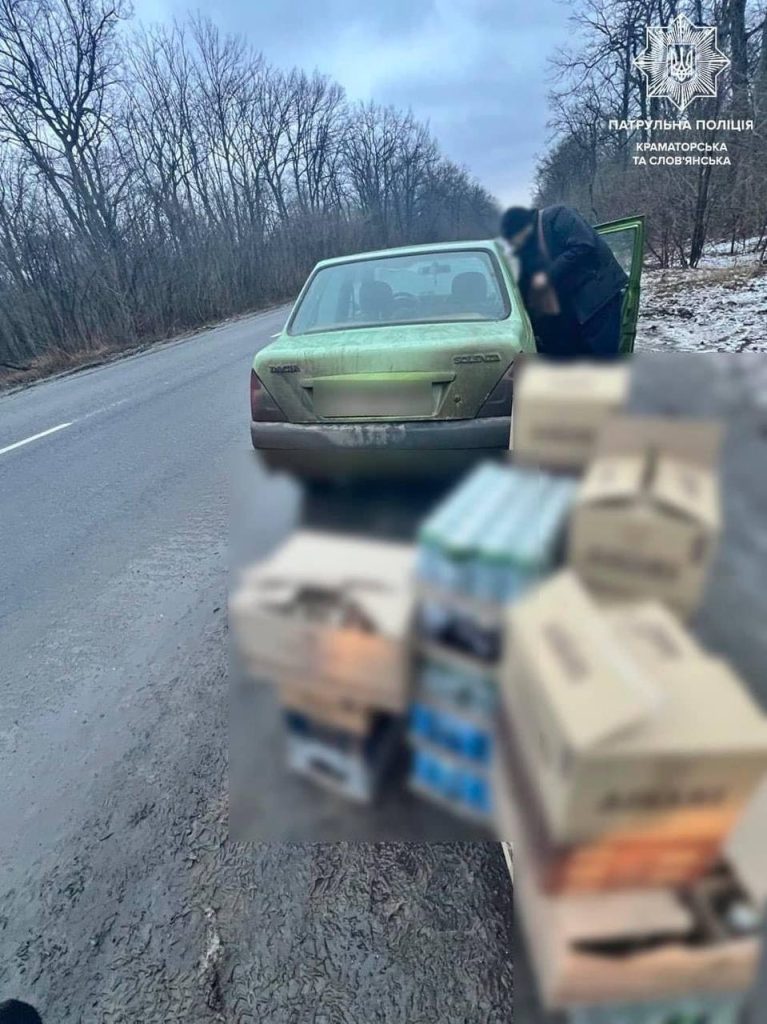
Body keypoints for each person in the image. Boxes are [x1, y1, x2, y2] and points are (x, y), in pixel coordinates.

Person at [499, 205, 628, 360]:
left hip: (600, 296)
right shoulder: (530, 245)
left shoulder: (559, 215)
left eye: (514, 240)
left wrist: (548, 275)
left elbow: (584, 244)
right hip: (573, 306)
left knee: (602, 352)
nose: (516, 244)